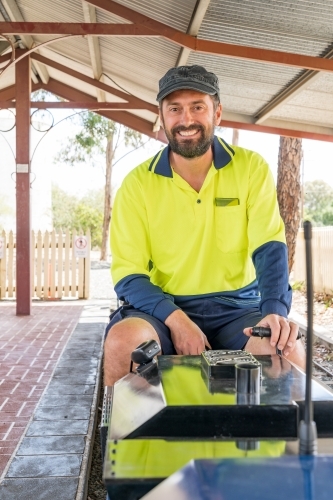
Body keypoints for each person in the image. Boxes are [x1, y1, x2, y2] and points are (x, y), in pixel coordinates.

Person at [104, 65, 305, 386]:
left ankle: (274, 437)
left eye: (197, 107)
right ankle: (122, 437)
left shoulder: (250, 168)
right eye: (175, 109)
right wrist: (178, 320)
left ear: (218, 112)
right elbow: (128, 273)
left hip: (238, 308)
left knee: (284, 350)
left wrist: (274, 310)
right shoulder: (137, 184)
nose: (186, 120)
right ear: (162, 116)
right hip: (162, 309)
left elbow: (269, 247)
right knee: (123, 343)